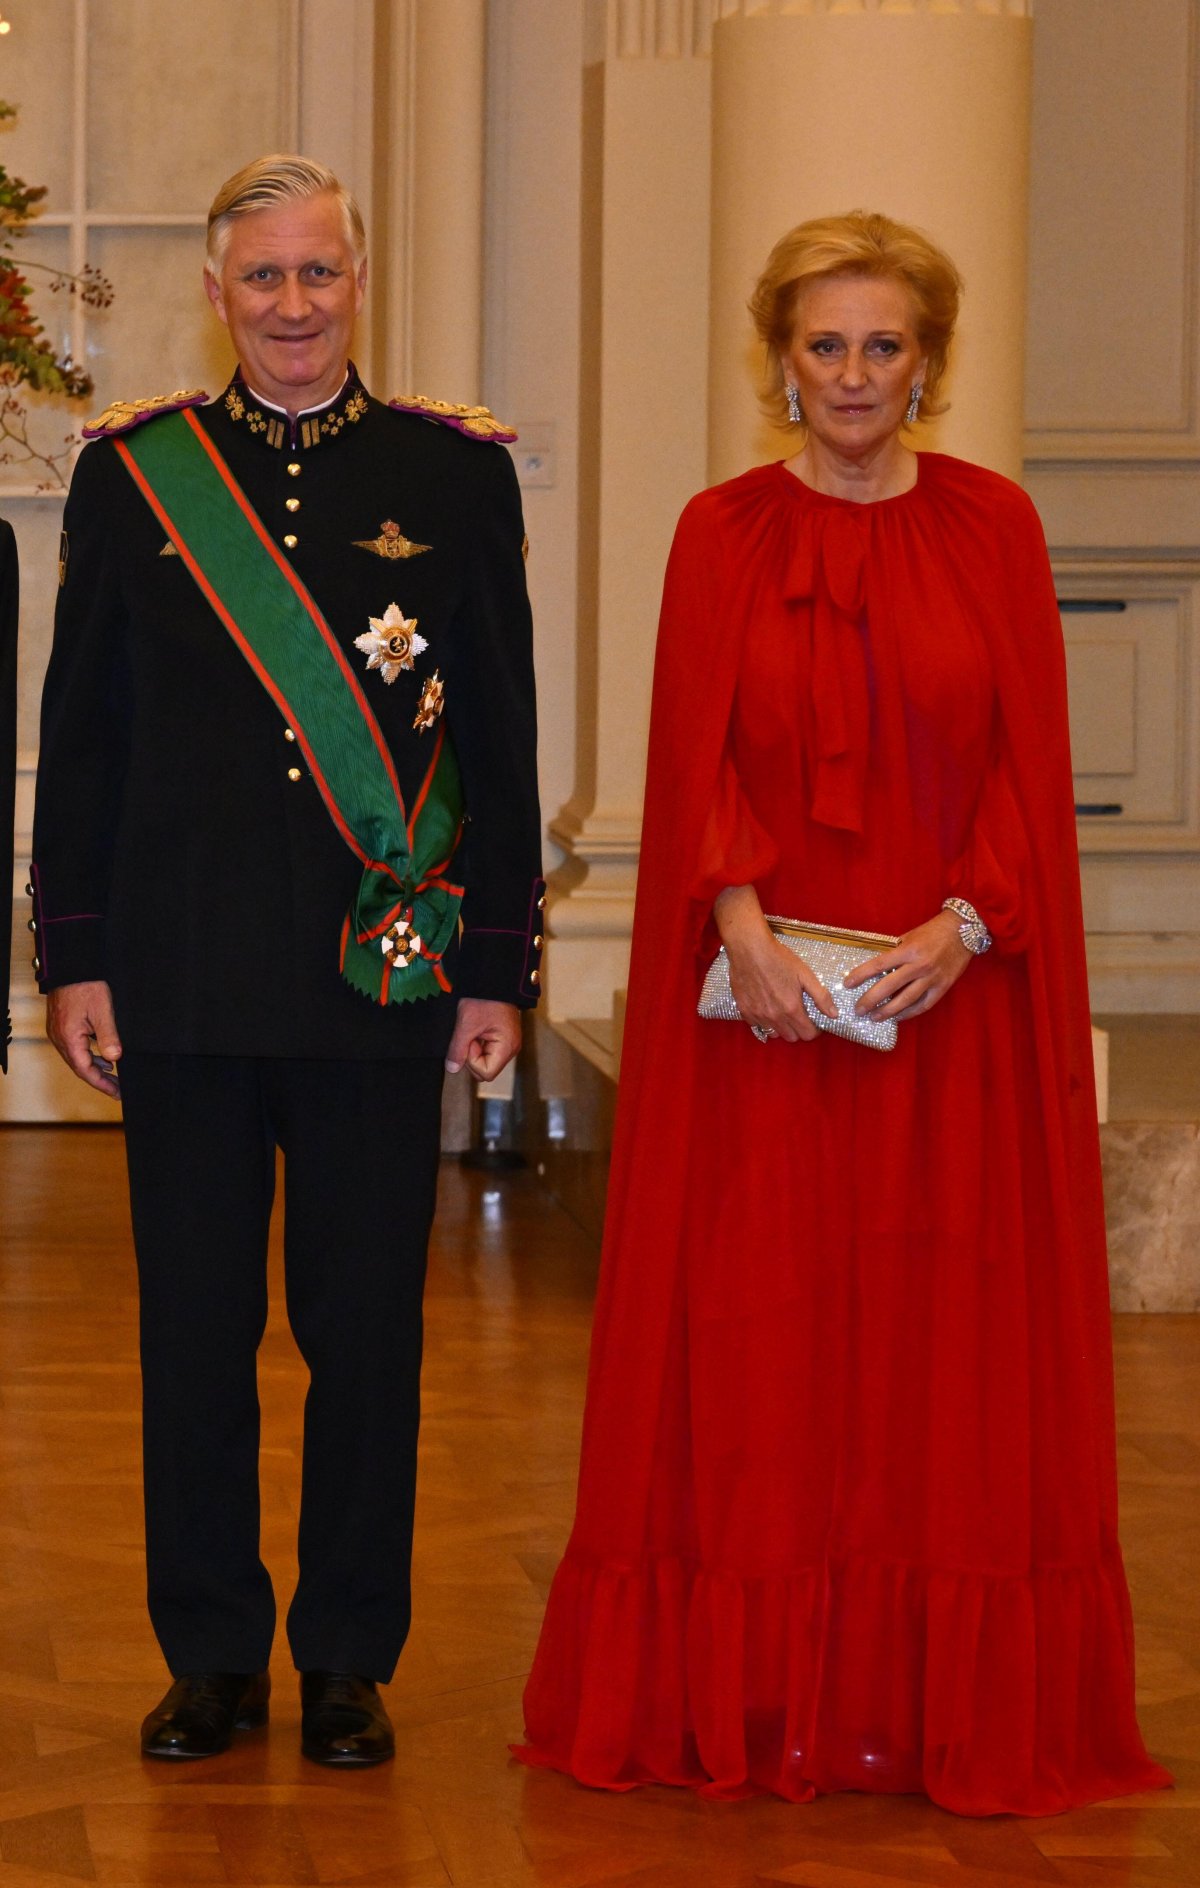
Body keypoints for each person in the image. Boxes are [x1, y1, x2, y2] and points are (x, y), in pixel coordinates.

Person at [516, 211, 1170, 1816]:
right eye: (825, 344)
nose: (854, 374)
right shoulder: (718, 532)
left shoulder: (995, 529)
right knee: (766, 1361)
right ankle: (749, 1699)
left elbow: (1030, 769)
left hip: (950, 1018)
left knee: (938, 1377)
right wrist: (741, 928)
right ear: (779, 362)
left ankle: (922, 1708)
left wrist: (967, 925)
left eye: (885, 345)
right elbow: (690, 766)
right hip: (773, 1025)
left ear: (930, 363)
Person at [30, 155, 544, 1765]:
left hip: (374, 977)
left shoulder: (452, 478)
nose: (295, 306)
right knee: (191, 1333)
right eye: (264, 278)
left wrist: (501, 964)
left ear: (359, 280)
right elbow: (82, 736)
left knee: (365, 1332)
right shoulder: (136, 477)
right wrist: (74, 952)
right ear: (215, 290)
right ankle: (211, 1656)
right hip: (179, 980)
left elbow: (507, 736)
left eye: (319, 273)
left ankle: (345, 1658)